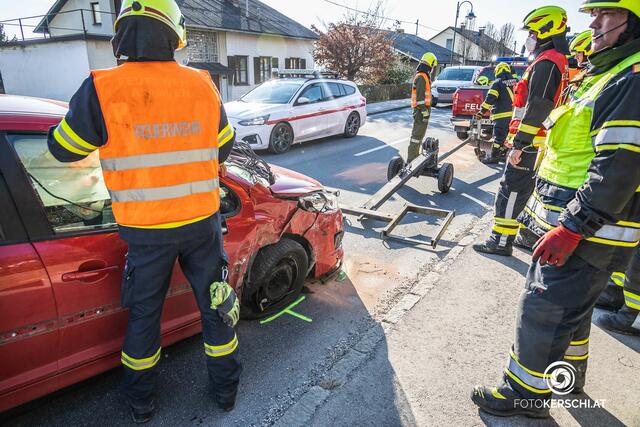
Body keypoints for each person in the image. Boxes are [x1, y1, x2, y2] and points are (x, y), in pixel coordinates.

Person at [47, 0, 241, 422]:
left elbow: (62, 149)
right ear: (174, 34)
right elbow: (224, 144)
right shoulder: (202, 84)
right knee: (216, 306)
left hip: (146, 232)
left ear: (121, 36)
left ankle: (141, 404)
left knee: (144, 318)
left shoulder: (100, 88)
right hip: (202, 227)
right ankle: (226, 393)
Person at [471, 0, 640, 418]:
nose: (596, 25)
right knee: (573, 311)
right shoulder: (609, 72)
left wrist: (572, 227)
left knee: (543, 307)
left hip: (586, 226)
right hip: (586, 221)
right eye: (594, 16)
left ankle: (523, 396)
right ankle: (569, 376)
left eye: (608, 16)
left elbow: (617, 164)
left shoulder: (629, 78)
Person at [473, 6, 569, 257]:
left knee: (511, 191)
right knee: (519, 191)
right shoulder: (549, 61)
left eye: (532, 33)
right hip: (534, 142)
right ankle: (510, 236)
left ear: (545, 31)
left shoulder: (548, 63)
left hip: (530, 144)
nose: (529, 38)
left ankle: (501, 241)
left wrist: (520, 143)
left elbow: (538, 106)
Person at [474, 62, 517, 164]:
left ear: (497, 71)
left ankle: (494, 157)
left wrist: (481, 112)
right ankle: (502, 155)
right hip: (515, 115)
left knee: (498, 137)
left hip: (501, 115)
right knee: (508, 137)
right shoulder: (516, 82)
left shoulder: (497, 83)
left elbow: (490, 99)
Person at [408, 52, 437, 163]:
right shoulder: (421, 77)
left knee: (419, 135)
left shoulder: (423, 76)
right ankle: (412, 159)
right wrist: (425, 112)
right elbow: (420, 99)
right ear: (430, 64)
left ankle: (414, 157)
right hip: (420, 111)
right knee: (416, 136)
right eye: (433, 67)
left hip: (422, 111)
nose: (433, 69)